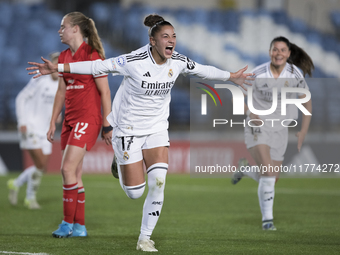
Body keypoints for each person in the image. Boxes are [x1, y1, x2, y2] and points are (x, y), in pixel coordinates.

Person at [27, 14, 253, 251]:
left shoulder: (177, 60)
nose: (171, 40)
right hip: (128, 129)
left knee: (158, 182)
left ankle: (144, 237)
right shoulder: (133, 60)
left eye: (174, 36)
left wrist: (232, 76)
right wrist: (58, 67)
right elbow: (97, 66)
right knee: (135, 193)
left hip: (156, 129)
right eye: (165, 36)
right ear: (152, 41)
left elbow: (203, 70)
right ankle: (120, 160)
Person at [39, 12, 112, 238]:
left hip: (88, 118)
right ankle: (79, 227)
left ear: (76, 29)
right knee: (75, 174)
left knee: (66, 169)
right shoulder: (62, 56)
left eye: (63, 27)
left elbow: (105, 91)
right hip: (70, 120)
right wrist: (53, 120)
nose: (59, 30)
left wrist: (107, 122)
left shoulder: (93, 56)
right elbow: (61, 91)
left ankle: (66, 223)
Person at [231, 36, 313, 231]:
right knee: (268, 172)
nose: (278, 53)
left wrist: (303, 131)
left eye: (282, 50)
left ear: (288, 54)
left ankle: (245, 170)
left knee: (271, 177)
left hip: (281, 129)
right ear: (270, 52)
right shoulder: (258, 73)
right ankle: (267, 221)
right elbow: (239, 100)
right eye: (275, 50)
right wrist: (252, 112)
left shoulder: (295, 74)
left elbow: (307, 102)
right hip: (258, 127)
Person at [7, 52, 60, 210]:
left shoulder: (61, 84)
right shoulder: (39, 78)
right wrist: (22, 121)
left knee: (41, 167)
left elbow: (56, 105)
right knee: (40, 163)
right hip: (30, 126)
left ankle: (16, 183)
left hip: (46, 130)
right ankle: (30, 199)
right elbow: (21, 98)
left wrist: (57, 116)